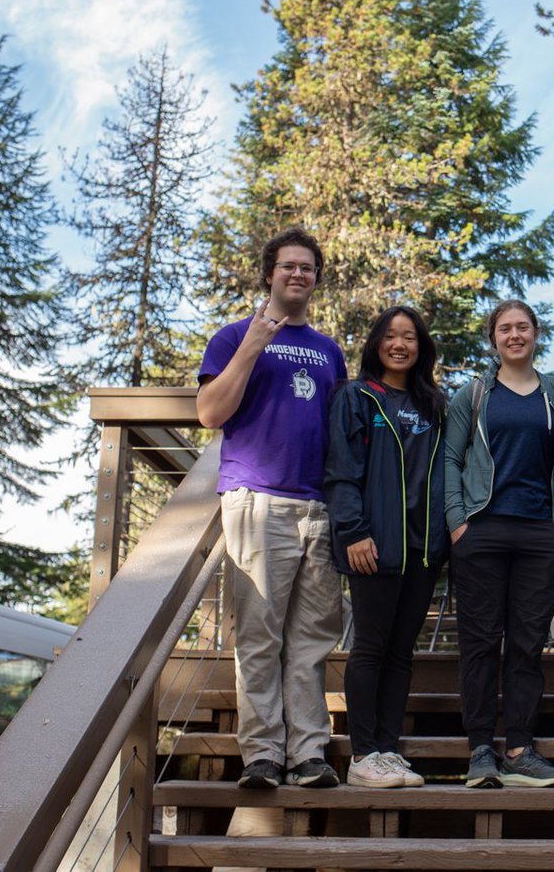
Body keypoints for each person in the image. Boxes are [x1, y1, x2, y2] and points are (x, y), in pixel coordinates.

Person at [197, 227, 345, 789]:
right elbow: (210, 413)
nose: (298, 275)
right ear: (269, 274)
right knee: (260, 635)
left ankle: (308, 752)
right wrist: (254, 344)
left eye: (307, 268)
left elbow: (337, 431)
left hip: (318, 508)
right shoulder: (234, 335)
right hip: (257, 500)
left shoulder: (329, 351)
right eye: (288, 266)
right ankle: (261, 752)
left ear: (315, 279)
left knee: (312, 638)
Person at [444, 300, 554, 789]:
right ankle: (481, 748)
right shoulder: (474, 395)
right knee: (480, 644)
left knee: (526, 645)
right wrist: (458, 522)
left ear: (536, 333)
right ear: (493, 338)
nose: (515, 335)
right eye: (505, 328)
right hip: (481, 531)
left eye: (523, 327)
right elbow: (450, 461)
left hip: (539, 534)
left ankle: (521, 748)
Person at [324, 306, 448, 788]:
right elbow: (341, 471)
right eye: (392, 336)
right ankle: (363, 754)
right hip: (373, 545)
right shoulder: (356, 397)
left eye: (411, 337)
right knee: (371, 648)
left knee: (402, 652)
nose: (401, 344)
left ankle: (389, 750)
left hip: (423, 550)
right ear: (377, 342)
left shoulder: (433, 403)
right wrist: (353, 531)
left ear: (421, 347)